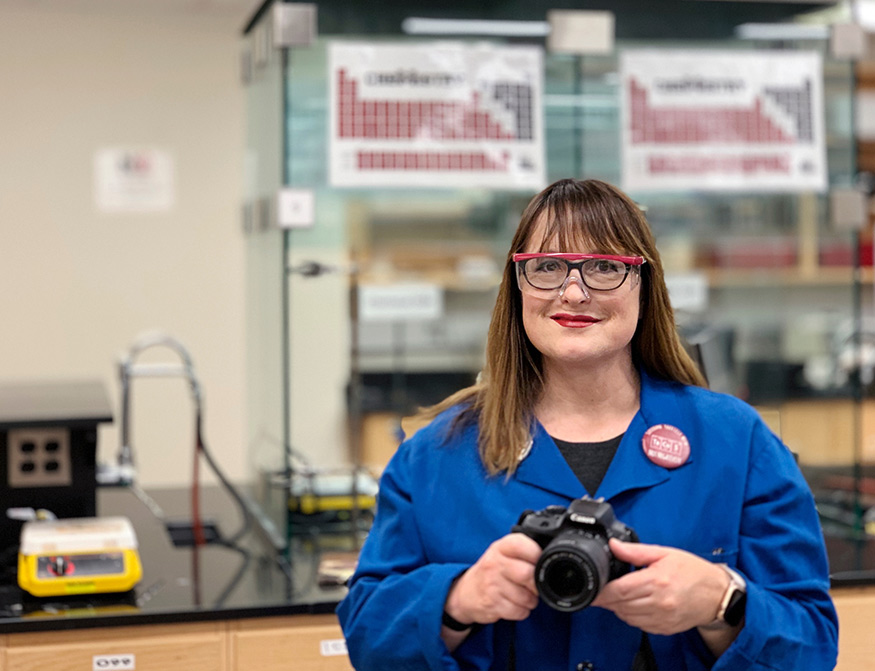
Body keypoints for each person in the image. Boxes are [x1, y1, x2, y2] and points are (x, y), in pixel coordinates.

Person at [337, 178, 838, 670]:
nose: (573, 293)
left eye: (603, 266)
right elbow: (367, 638)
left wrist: (721, 601)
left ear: (645, 284)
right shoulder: (435, 455)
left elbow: (812, 643)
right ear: (517, 285)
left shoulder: (734, 441)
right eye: (548, 266)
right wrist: (457, 599)